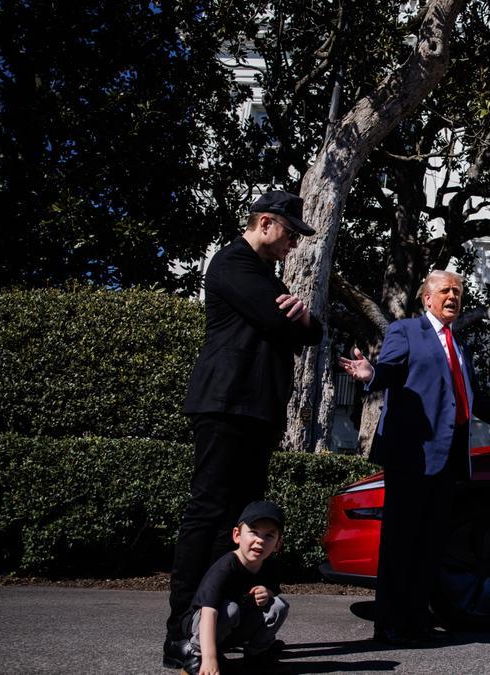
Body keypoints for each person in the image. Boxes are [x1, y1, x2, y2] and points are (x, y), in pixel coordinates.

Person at [339, 270, 490, 646]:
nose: (453, 297)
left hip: (448, 460)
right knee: (401, 544)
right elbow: (391, 370)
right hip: (413, 456)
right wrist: (371, 374)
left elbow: (475, 399)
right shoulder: (407, 331)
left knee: (430, 545)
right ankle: (390, 624)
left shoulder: (458, 345)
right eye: (445, 290)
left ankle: (417, 621)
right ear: (427, 298)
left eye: (458, 292)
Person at [164, 190, 321, 669]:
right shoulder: (233, 264)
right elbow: (283, 325)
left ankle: (222, 626)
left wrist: (306, 321)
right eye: (291, 233)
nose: (293, 244)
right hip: (225, 404)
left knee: (238, 521)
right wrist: (301, 322)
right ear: (266, 223)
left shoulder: (265, 275)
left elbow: (309, 331)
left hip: (257, 409)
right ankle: (181, 635)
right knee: (208, 511)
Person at [180, 500, 290, 675]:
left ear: (278, 543)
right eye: (253, 532)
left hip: (237, 625)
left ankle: (257, 656)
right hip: (206, 624)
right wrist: (210, 660)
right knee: (229, 609)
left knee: (278, 605)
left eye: (269, 535)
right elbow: (209, 612)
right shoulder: (225, 566)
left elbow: (272, 591)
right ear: (237, 535)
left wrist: (266, 593)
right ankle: (197, 655)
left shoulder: (269, 565)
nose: (260, 540)